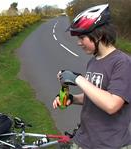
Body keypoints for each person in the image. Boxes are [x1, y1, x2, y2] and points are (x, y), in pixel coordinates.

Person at [52, 4, 131, 149]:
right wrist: (72, 99)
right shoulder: (93, 62)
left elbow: (112, 105)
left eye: (82, 37)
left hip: (109, 144)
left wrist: (78, 78)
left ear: (99, 35)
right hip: (84, 140)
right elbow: (94, 95)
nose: (79, 43)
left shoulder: (123, 63)